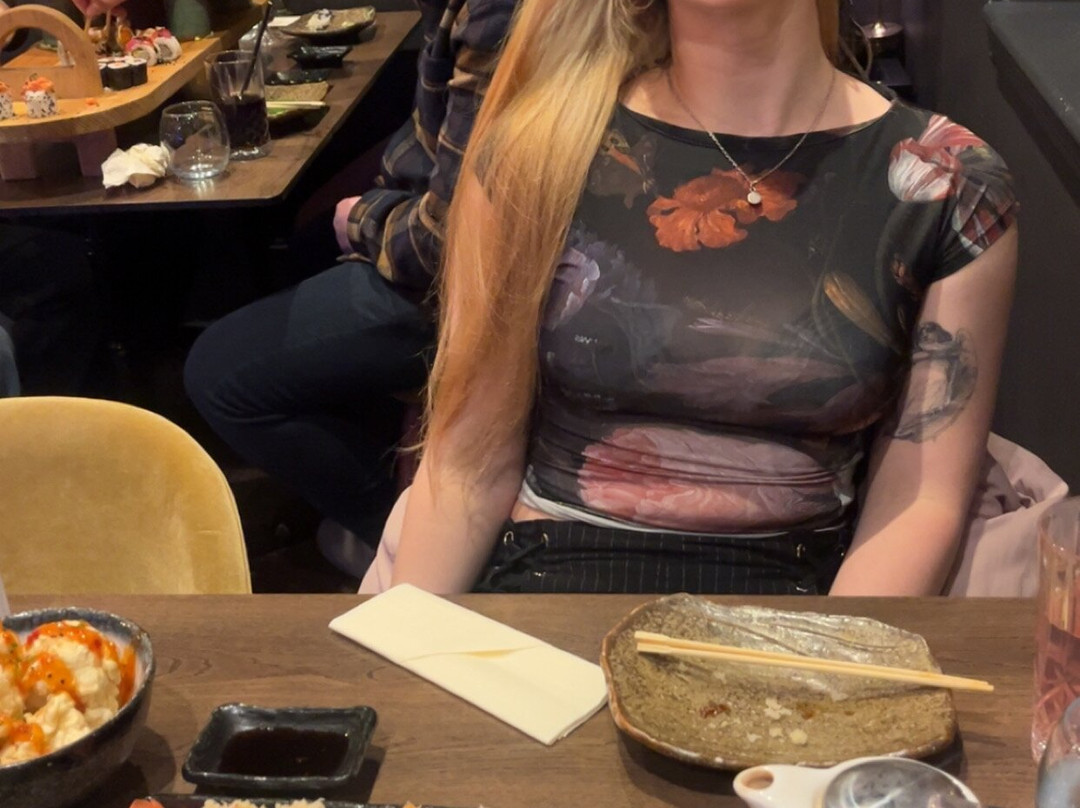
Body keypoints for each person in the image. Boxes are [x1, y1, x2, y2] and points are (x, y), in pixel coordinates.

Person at [374, 0, 1019, 596]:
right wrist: (406, 658)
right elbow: (467, 465)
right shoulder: (532, 152)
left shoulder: (949, 186)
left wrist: (831, 663)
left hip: (798, 609)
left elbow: (920, 501)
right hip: (550, 591)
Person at [183, 0, 519, 569]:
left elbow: (443, 246)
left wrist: (363, 219)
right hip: (430, 231)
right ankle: (367, 481)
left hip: (471, 293)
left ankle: (397, 533)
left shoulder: (498, 14)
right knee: (306, 242)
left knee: (217, 375)